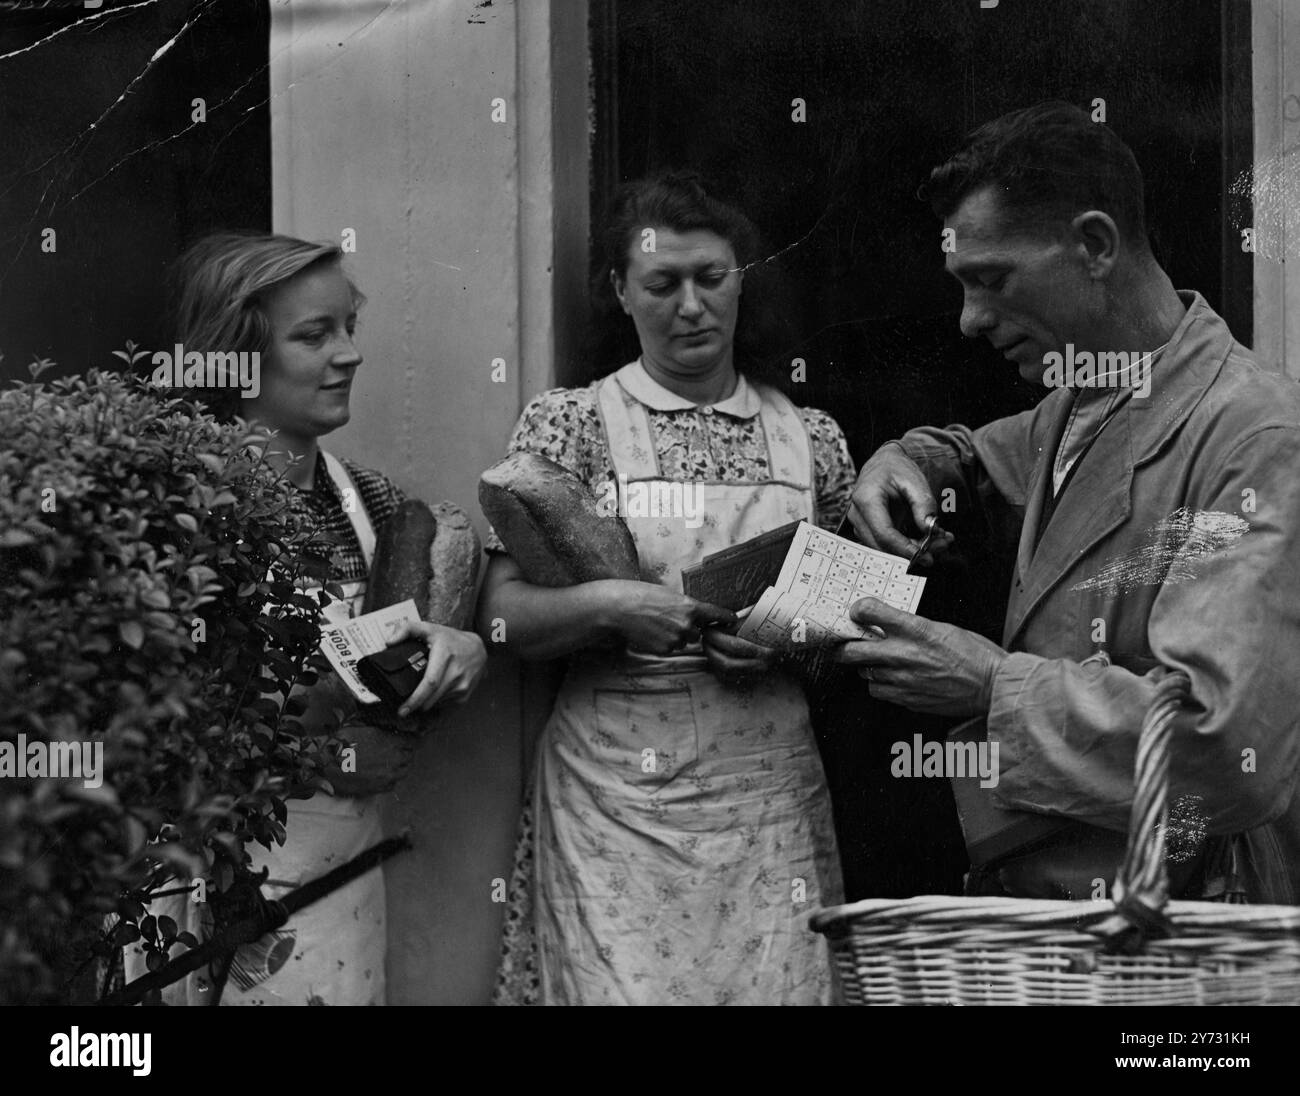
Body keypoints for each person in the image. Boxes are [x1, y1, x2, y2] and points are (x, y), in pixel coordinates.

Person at [839, 101, 1300, 904]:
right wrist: (904, 457)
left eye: (992, 280)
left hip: (1177, 940)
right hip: (1063, 931)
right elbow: (979, 459)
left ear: (1094, 245)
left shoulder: (1257, 436)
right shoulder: (1087, 394)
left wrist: (992, 687)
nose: (970, 320)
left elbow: (1223, 750)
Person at [481, 171, 855, 1004]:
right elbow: (501, 616)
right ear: (620, 291)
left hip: (767, 803)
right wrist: (611, 608)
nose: (691, 305)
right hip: (617, 801)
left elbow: (856, 619)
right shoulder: (570, 425)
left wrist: (785, 639)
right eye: (662, 283)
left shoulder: (811, 439)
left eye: (711, 279)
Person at [124, 232, 487, 1004]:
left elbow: (413, 644)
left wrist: (461, 646)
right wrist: (323, 757)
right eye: (315, 335)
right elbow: (146, 717)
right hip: (200, 878)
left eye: (349, 326)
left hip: (339, 880)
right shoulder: (174, 506)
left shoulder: (374, 504)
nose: (349, 353)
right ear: (235, 355)